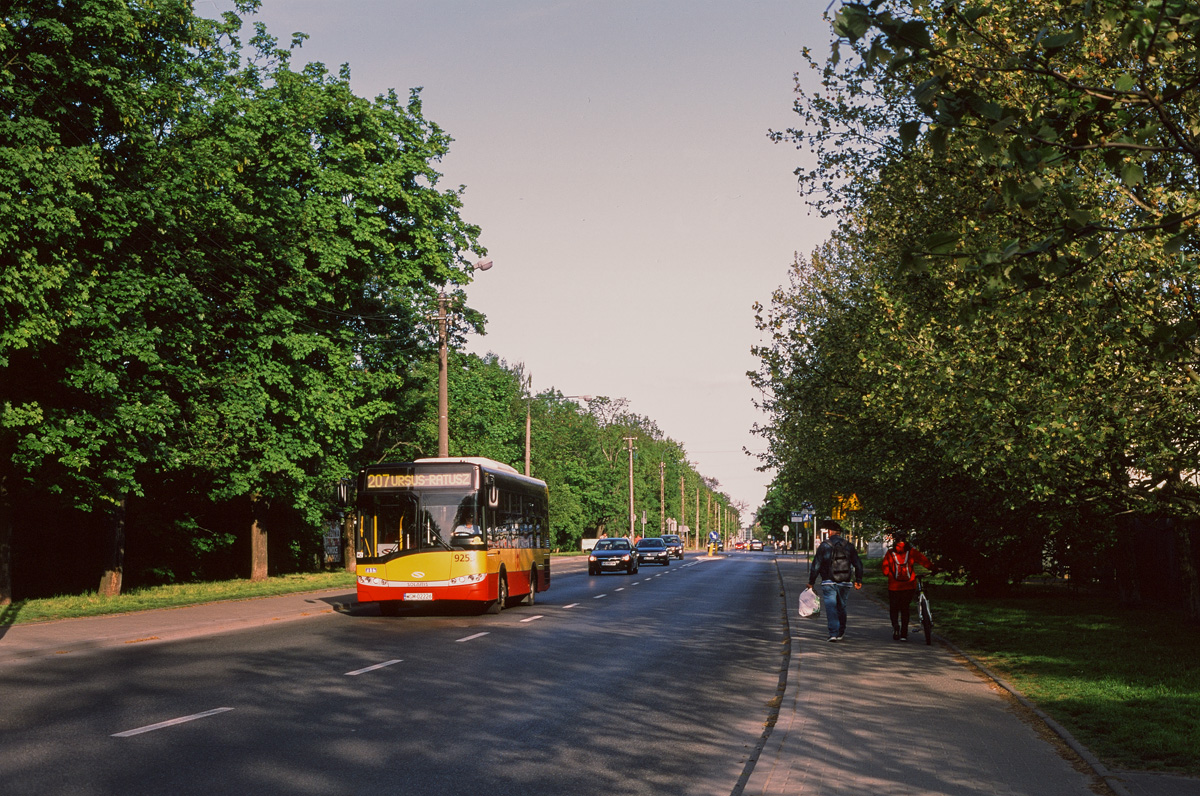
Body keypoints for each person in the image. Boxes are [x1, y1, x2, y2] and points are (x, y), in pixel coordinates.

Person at [805, 520, 863, 642]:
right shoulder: (849, 545)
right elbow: (858, 564)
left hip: (828, 582)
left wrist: (811, 582)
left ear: (830, 532)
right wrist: (858, 579)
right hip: (845, 582)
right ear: (839, 533)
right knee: (842, 606)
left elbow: (816, 565)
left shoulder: (824, 545)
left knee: (831, 607)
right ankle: (841, 632)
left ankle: (833, 633)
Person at [881, 531, 933, 641]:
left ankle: (895, 626)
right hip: (909, 585)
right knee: (905, 608)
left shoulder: (890, 553)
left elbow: (885, 571)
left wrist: (890, 573)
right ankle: (904, 634)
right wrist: (934, 569)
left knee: (894, 608)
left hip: (894, 586)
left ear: (895, 540)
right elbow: (924, 561)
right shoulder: (911, 552)